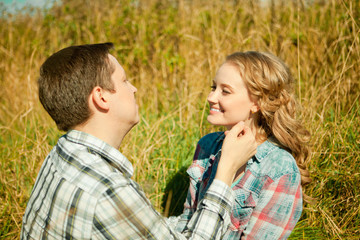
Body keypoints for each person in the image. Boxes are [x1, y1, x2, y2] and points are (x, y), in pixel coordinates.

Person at [20, 43, 258, 239]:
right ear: (101, 97)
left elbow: (149, 229)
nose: (133, 89)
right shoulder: (108, 189)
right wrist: (225, 171)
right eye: (124, 81)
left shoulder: (60, 155)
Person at [175, 51, 311, 239]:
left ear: (256, 103)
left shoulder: (280, 169)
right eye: (213, 87)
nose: (211, 97)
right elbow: (187, 221)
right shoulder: (207, 147)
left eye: (225, 91)